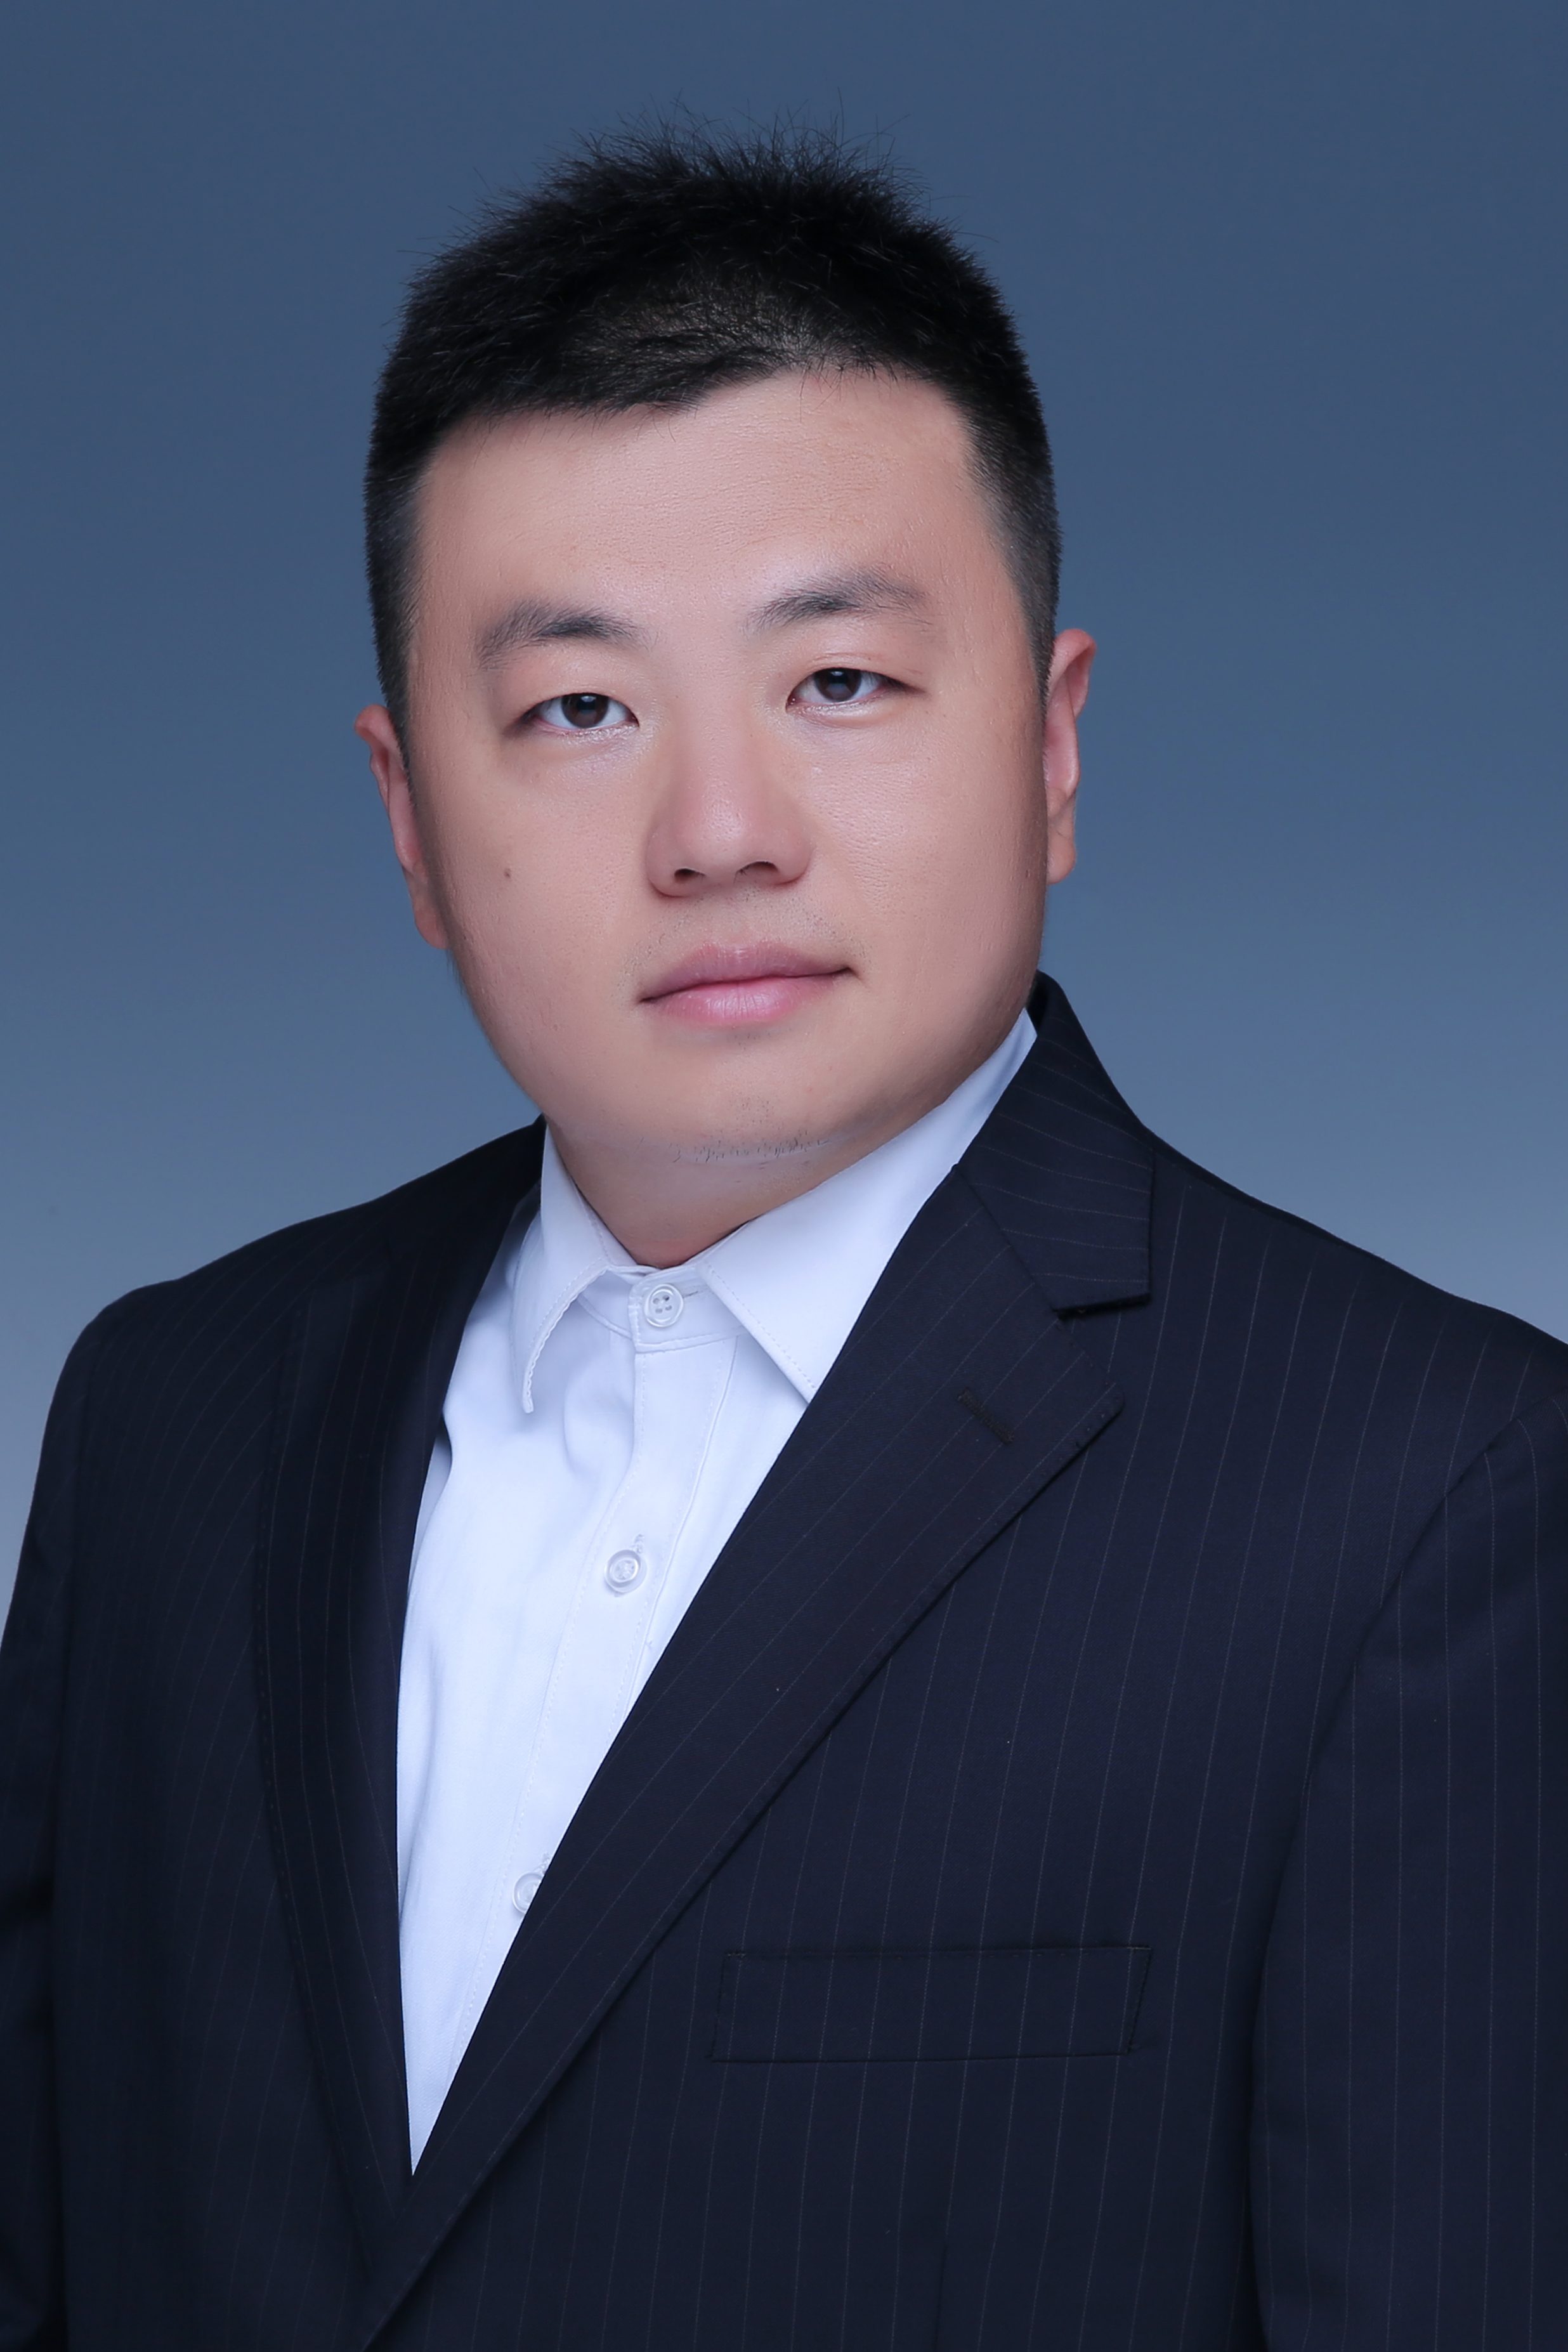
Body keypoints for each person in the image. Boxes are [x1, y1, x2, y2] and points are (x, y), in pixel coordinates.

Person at [1, 125, 1564, 2352]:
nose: (720, 832)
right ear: (408, 814)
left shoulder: (1428, 1493)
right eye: (579, 709)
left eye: (837, 681)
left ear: (1053, 746)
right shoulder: (171, 1414)